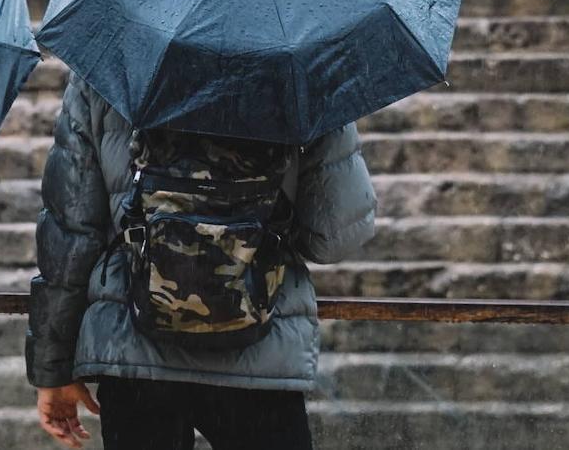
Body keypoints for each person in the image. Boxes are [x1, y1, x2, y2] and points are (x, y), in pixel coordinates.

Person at [26, 75, 377, 449]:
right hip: (259, 354)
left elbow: (71, 238)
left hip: (134, 353)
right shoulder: (305, 71)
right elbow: (334, 238)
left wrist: (53, 368)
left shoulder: (104, 70)